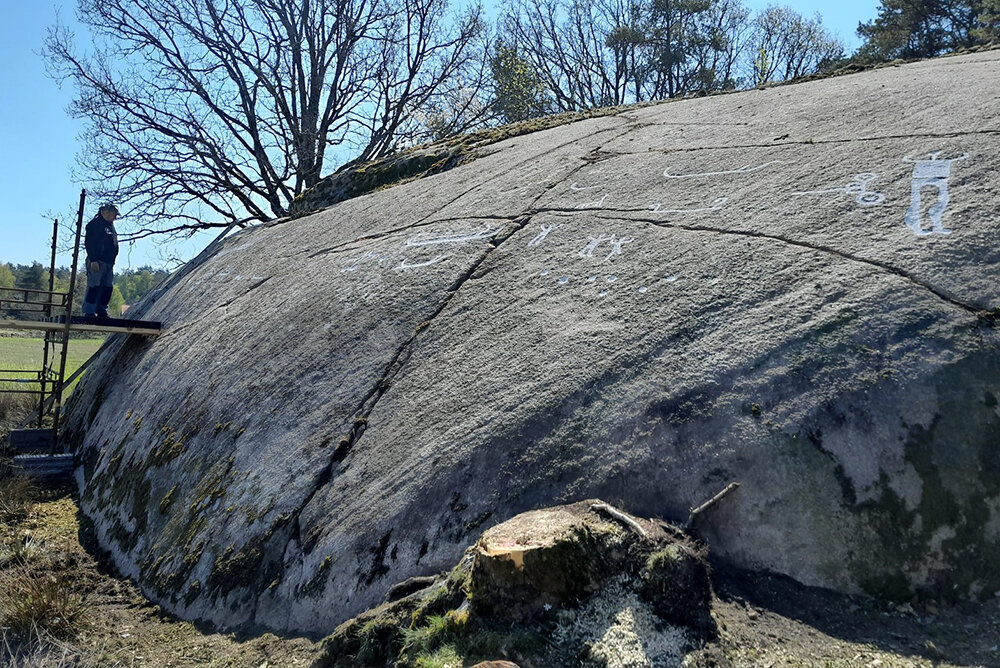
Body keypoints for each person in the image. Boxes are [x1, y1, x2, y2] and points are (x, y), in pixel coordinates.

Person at [82, 203, 119, 319]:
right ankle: (89, 311)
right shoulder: (95, 225)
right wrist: (93, 259)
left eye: (112, 213)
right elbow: (90, 242)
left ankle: (101, 310)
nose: (109, 214)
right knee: (94, 286)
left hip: (108, 263)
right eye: (107, 211)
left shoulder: (110, 227)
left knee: (107, 287)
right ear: (102, 212)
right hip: (97, 261)